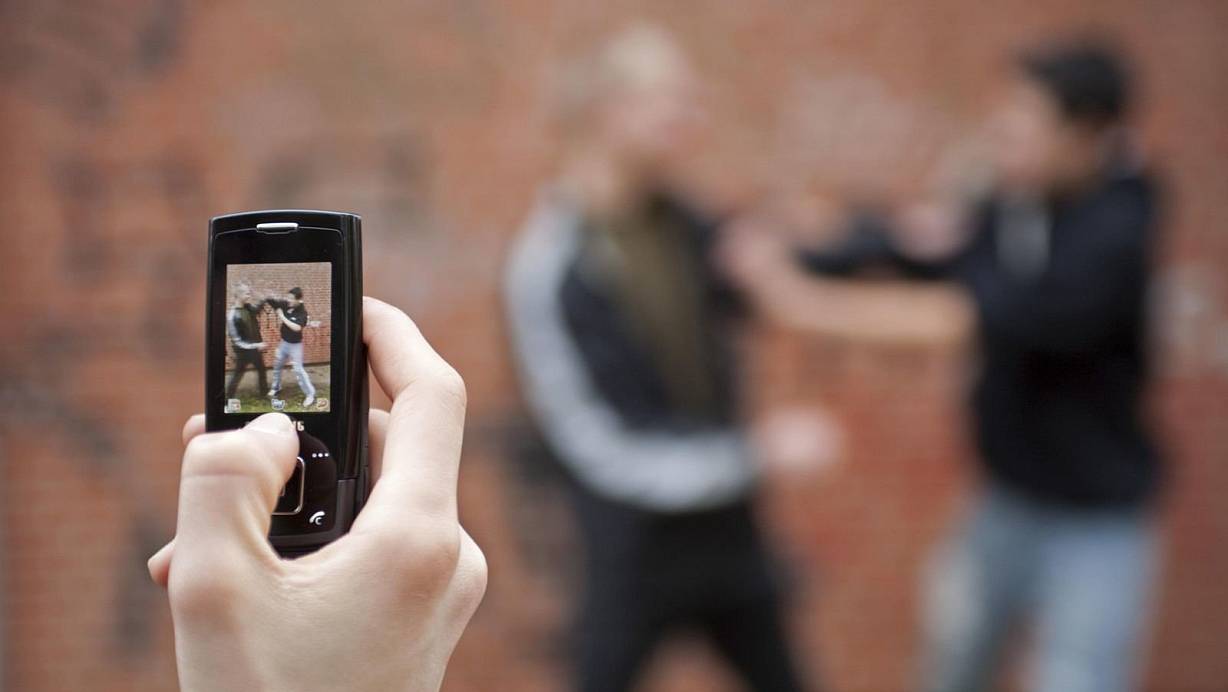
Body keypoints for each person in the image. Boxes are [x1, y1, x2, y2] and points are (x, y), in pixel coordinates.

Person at [724, 39, 1163, 692]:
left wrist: (803, 302)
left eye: (1025, 119)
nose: (1002, 132)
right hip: (1005, 501)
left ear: (1086, 134)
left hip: (1093, 522)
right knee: (953, 667)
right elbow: (927, 245)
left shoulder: (1115, 232)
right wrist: (806, 248)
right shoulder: (1015, 200)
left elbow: (958, 320)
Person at [506, 25, 808, 692]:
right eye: (670, 99)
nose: (690, 118)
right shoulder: (551, 263)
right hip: (635, 552)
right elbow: (594, 444)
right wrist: (749, 456)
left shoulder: (688, 225)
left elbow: (777, 266)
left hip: (731, 543)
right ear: (608, 110)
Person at [147, 297, 486, 692]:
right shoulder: (255, 317)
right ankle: (284, 393)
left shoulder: (295, 315)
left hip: (292, 355)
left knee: (292, 376)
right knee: (272, 376)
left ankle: (295, 393)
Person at [266, 286, 318, 407]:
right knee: (277, 365)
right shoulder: (286, 304)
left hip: (295, 346)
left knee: (298, 370)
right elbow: (272, 301)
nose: (288, 300)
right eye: (287, 298)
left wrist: (282, 316)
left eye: (291, 298)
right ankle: (276, 387)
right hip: (284, 343)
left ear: (299, 300)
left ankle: (310, 394)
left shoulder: (302, 313)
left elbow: (297, 328)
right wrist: (266, 297)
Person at [224, 282, 268, 403]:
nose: (249, 294)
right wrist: (256, 345)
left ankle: (264, 395)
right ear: (238, 296)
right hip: (243, 352)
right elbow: (237, 341)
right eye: (246, 293)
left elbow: (257, 310)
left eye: (249, 292)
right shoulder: (232, 316)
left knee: (262, 371)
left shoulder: (248, 307)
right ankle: (228, 399)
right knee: (238, 374)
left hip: (255, 350)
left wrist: (264, 299)